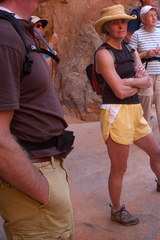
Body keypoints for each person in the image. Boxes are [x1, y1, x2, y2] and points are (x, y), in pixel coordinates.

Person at [93, 4, 160, 226]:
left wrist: (131, 82)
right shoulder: (103, 54)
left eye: (123, 22)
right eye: (116, 22)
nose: (121, 26)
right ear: (107, 27)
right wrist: (136, 82)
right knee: (120, 167)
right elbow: (119, 91)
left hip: (134, 110)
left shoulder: (130, 50)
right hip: (115, 112)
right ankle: (116, 210)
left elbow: (143, 83)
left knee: (156, 152)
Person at [0, 0, 74, 239]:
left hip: (40, 166)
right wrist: (44, 192)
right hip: (32, 177)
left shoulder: (14, 30)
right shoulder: (5, 36)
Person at [125, 0, 160, 130]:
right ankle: (145, 128)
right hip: (145, 65)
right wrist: (143, 52)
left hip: (159, 67)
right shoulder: (137, 14)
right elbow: (129, 39)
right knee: (146, 99)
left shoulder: (156, 18)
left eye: (155, 16)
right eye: (151, 16)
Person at [31, 15, 59, 81]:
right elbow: (44, 64)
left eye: (42, 26)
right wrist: (51, 43)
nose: (41, 28)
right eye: (38, 26)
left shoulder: (35, 43)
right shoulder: (28, 44)